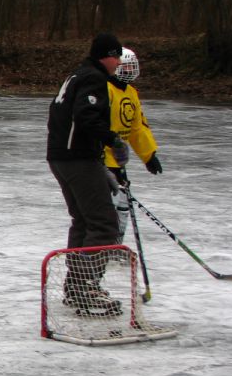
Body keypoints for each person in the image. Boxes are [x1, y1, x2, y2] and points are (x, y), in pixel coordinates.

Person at [47, 33, 127, 310]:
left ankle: (75, 286)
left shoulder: (76, 75)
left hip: (63, 157)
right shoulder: (94, 78)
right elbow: (85, 116)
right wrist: (112, 141)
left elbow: (61, 116)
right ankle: (85, 286)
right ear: (107, 55)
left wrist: (96, 162)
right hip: (75, 158)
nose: (118, 63)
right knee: (104, 223)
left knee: (82, 220)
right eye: (116, 57)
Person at [103, 47, 163, 240]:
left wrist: (149, 155)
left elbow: (137, 127)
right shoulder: (104, 89)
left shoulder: (131, 92)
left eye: (132, 66)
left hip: (119, 159)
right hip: (102, 157)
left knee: (122, 204)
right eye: (126, 66)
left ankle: (115, 244)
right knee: (108, 204)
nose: (129, 71)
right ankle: (102, 245)